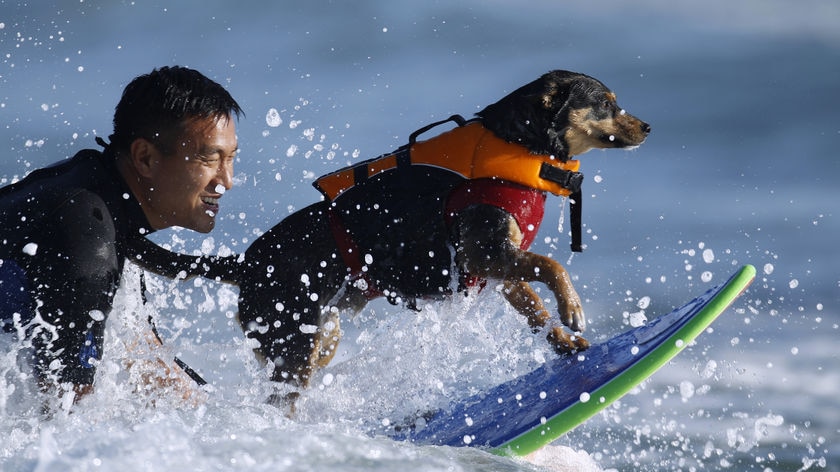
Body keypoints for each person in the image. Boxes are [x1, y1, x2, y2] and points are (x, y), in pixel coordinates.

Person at [0, 65, 243, 406]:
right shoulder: (86, 236)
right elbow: (60, 417)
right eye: (209, 158)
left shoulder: (106, 202)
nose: (226, 180)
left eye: (231, 159)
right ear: (144, 157)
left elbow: (150, 365)